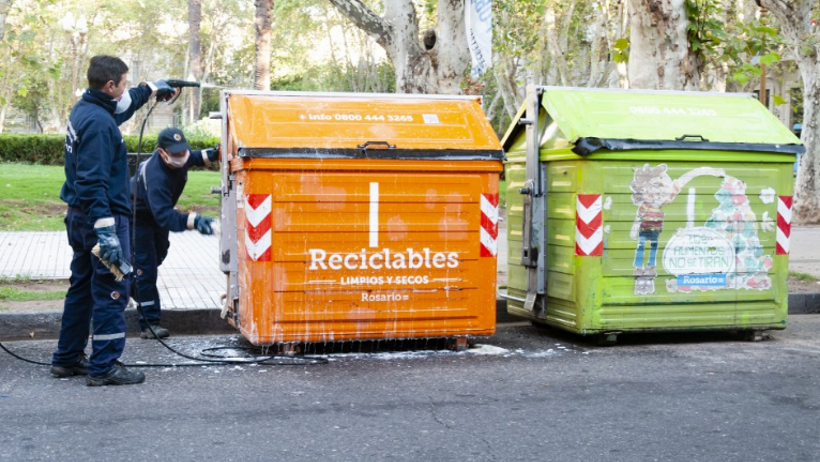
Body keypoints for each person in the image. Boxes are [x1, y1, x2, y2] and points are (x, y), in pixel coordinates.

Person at [51, 55, 175, 386]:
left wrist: (150, 89)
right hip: (102, 221)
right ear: (110, 86)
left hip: (81, 218)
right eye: (123, 83)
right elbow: (92, 182)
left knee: (82, 288)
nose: (125, 88)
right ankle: (104, 366)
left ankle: (67, 358)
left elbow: (122, 106)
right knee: (112, 289)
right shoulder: (99, 124)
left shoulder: (87, 108)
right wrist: (106, 233)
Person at [130, 127, 219, 339]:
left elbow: (195, 157)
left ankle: (131, 286)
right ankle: (149, 323)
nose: (182, 156)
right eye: (176, 153)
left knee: (159, 255)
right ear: (162, 152)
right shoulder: (156, 175)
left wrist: (217, 152)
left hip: (157, 215)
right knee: (146, 268)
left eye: (183, 151)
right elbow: (165, 217)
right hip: (137, 218)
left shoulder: (180, 157)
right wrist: (195, 221)